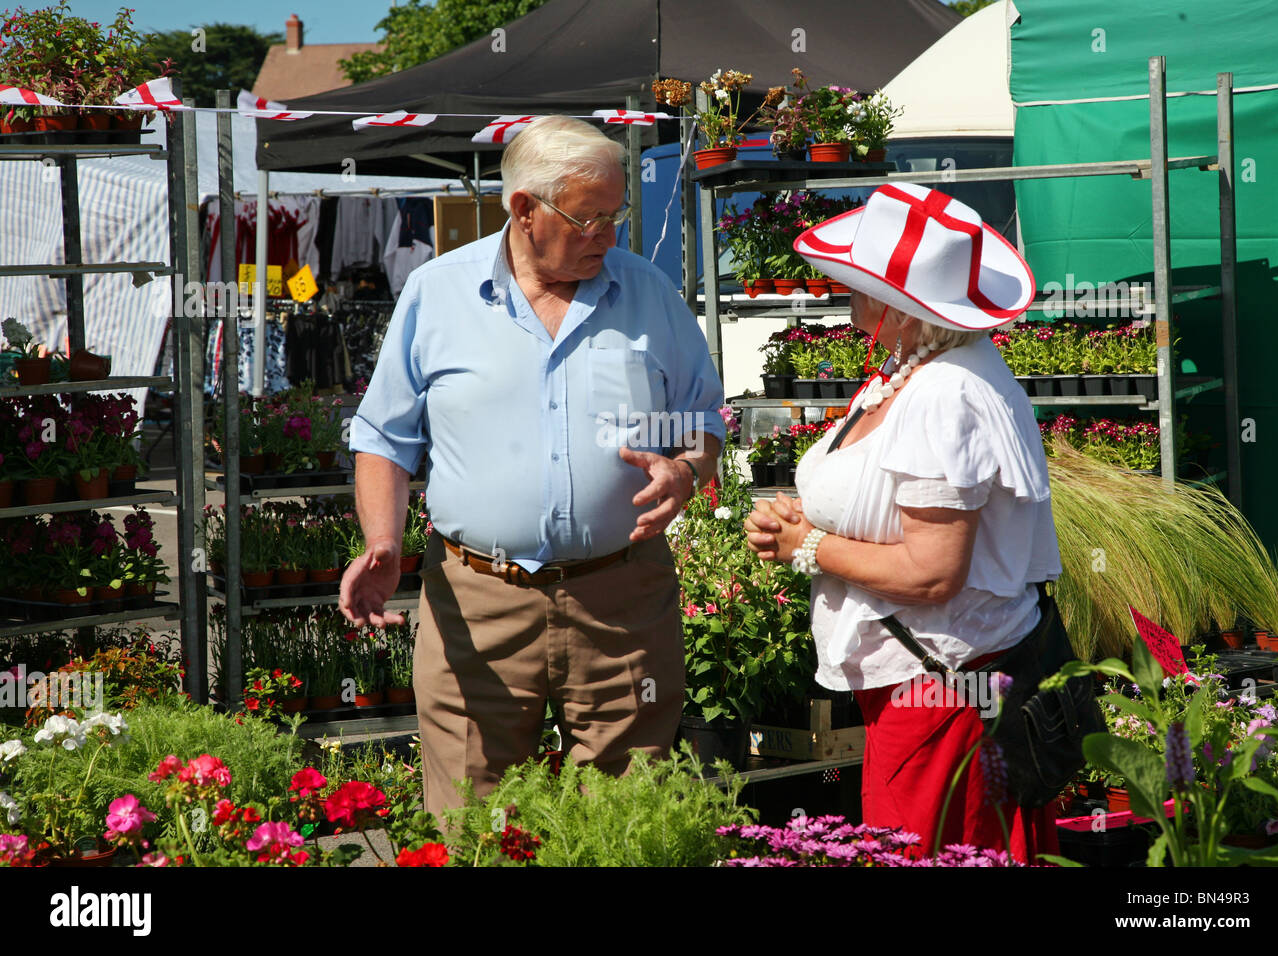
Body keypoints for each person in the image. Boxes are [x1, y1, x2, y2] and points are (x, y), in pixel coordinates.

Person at [340, 115, 724, 816]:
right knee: (473, 825)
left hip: (622, 605)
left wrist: (688, 470)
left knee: (625, 829)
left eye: (617, 215)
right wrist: (384, 545)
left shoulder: (649, 294)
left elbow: (700, 422)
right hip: (476, 602)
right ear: (524, 210)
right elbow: (384, 438)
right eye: (591, 219)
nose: (610, 236)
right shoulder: (438, 293)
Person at [743, 183, 1061, 862]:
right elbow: (893, 510)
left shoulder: (945, 393)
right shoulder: (914, 369)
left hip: (947, 690)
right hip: (930, 684)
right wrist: (814, 521)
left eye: (856, 285)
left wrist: (810, 546)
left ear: (899, 306)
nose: (845, 297)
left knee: (923, 851)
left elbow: (932, 572)